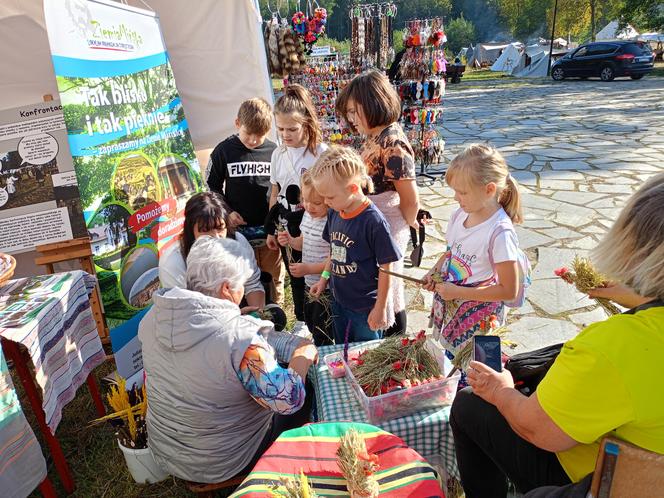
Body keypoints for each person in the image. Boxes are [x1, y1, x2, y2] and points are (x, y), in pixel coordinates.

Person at [449, 172, 664, 498]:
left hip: (598, 479)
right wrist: (635, 291)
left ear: (634, 248)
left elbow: (539, 430)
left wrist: (500, 391)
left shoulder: (613, 347)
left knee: (469, 404)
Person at [140, 236, 318, 484]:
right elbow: (288, 399)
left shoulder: (151, 319)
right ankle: (285, 467)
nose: (242, 291)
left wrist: (233, 316)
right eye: (240, 285)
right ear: (226, 289)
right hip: (225, 459)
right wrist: (302, 356)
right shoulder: (241, 342)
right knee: (305, 386)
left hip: (168, 449)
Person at [422, 144, 523, 384]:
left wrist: (458, 291)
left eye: (463, 192)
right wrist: (434, 272)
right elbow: (450, 253)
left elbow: (509, 290)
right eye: (455, 191)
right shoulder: (460, 215)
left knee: (482, 379)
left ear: (489, 190)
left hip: (482, 321)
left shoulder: (499, 232)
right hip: (455, 313)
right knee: (454, 369)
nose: (456, 198)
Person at [335, 69, 419, 336]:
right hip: (374, 223)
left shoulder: (393, 143)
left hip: (388, 226)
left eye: (352, 111)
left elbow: (409, 199)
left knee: (392, 289)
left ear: (372, 103)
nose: (350, 119)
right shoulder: (376, 136)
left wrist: (400, 230)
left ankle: (396, 342)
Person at [309, 146, 402, 344]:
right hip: (338, 301)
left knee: (366, 356)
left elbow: (387, 268)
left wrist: (380, 308)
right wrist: (324, 279)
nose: (326, 202)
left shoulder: (373, 221)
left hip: (365, 309)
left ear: (353, 188)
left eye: (330, 197)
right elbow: (334, 251)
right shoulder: (335, 211)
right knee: (343, 351)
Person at [205, 98, 283, 305]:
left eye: (260, 135)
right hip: (237, 232)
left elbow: (280, 188)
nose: (254, 140)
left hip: (268, 232)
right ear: (237, 123)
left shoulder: (274, 151)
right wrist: (227, 212)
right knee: (240, 278)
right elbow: (211, 186)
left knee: (273, 277)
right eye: (249, 134)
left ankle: (276, 315)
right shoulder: (224, 150)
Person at [266, 84, 327, 326]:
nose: (285, 134)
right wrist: (271, 228)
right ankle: (302, 320)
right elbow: (275, 191)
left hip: (314, 225)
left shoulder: (320, 152)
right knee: (294, 272)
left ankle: (319, 320)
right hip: (286, 225)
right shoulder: (278, 154)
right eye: (280, 129)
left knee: (313, 272)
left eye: (291, 128)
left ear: (307, 124)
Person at [159, 192, 266, 310]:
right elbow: (184, 311)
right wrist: (236, 320)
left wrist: (258, 317)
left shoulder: (238, 242)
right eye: (205, 230)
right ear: (190, 231)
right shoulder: (173, 262)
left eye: (220, 228)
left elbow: (252, 283)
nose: (216, 237)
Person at [277, 171, 333, 346]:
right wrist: (290, 241)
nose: (309, 206)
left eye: (316, 203)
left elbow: (335, 260)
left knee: (323, 328)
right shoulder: (308, 216)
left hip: (327, 287)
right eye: (305, 200)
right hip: (310, 283)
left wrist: (308, 268)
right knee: (311, 321)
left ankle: (325, 356)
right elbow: (302, 242)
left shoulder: (331, 221)